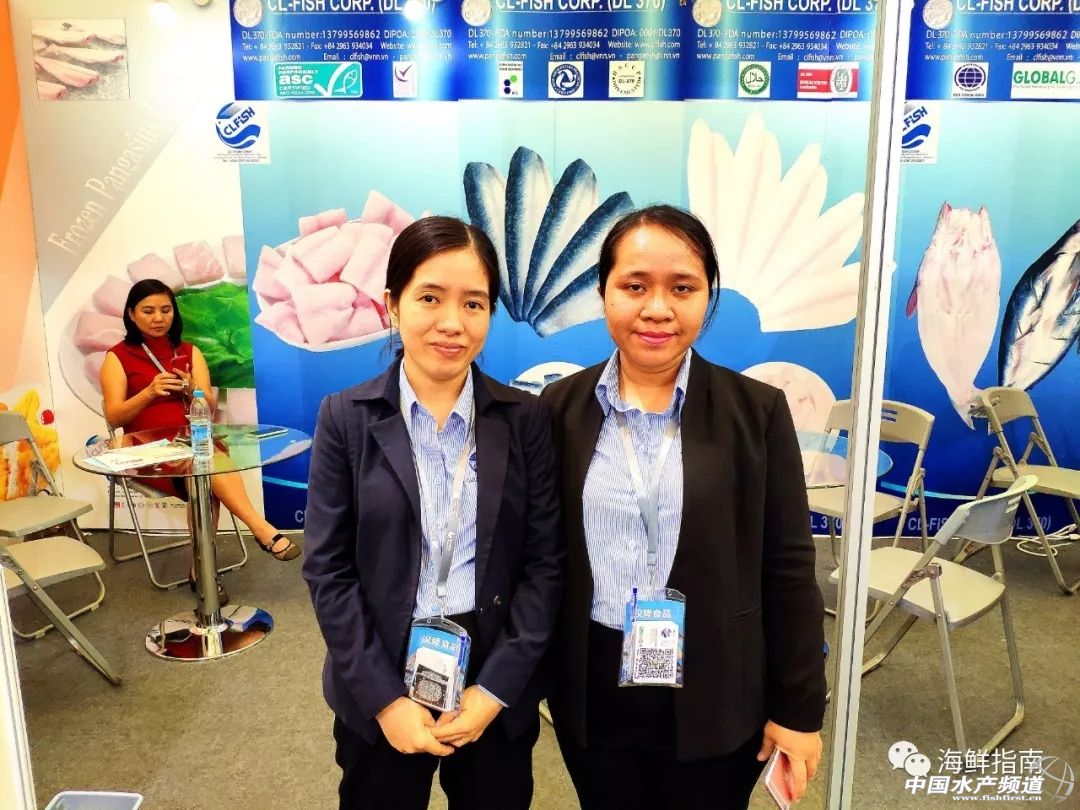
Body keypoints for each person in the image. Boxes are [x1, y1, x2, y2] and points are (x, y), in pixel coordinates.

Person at [540, 205, 827, 810]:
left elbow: (788, 568)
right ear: (604, 293)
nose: (657, 309)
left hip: (718, 687)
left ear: (707, 296)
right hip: (592, 687)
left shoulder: (757, 412)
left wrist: (798, 709)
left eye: (682, 288)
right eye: (634, 286)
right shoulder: (558, 409)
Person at [302, 215, 563, 810]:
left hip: (492, 665)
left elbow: (546, 565)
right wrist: (384, 700)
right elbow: (328, 570)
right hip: (380, 663)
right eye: (430, 298)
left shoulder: (525, 420)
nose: (452, 322)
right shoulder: (346, 418)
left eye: (474, 303)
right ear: (392, 305)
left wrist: (495, 690)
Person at [100, 278, 301, 604]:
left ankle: (202, 570)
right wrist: (149, 392)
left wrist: (191, 387)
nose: (158, 318)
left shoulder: (189, 351)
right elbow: (114, 416)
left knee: (205, 470)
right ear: (131, 314)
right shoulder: (117, 357)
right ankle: (259, 530)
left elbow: (207, 407)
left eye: (165, 310)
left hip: (192, 443)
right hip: (147, 451)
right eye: (148, 311)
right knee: (206, 471)